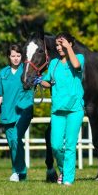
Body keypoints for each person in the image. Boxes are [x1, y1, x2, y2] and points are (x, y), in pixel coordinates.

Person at [35, 32, 85, 186]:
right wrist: (39, 80)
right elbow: (49, 82)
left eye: (62, 43)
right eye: (57, 45)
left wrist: (67, 47)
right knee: (55, 145)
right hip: (57, 110)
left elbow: (76, 65)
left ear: (70, 44)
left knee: (70, 145)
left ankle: (68, 179)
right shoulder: (54, 63)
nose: (59, 47)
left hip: (74, 109)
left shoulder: (79, 59)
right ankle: (63, 169)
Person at [0, 44, 34, 182]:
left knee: (15, 138)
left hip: (23, 111)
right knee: (13, 143)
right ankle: (21, 173)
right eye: (13, 56)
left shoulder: (27, 71)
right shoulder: (3, 74)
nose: (16, 59)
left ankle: (18, 172)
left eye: (18, 56)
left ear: (22, 56)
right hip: (7, 113)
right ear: (9, 57)